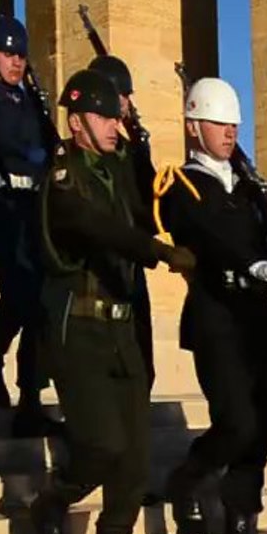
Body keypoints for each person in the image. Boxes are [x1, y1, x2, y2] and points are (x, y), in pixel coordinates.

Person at [27, 68, 196, 534]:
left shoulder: (120, 168)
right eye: (103, 116)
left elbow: (149, 201)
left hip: (123, 328)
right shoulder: (62, 176)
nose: (113, 124)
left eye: (115, 114)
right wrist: (158, 251)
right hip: (79, 329)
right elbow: (96, 228)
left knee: (135, 460)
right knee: (102, 444)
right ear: (76, 123)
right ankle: (53, 501)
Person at [159, 77, 267, 534]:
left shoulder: (250, 185)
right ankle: (187, 479)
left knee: (259, 435)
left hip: (254, 318)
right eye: (219, 123)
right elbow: (205, 235)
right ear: (195, 126)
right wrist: (253, 264)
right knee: (236, 423)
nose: (229, 132)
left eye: (234, 124)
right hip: (216, 316)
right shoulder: (183, 185)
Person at [0, 14, 58, 434]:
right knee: (28, 299)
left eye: (21, 54)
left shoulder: (33, 104)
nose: (16, 61)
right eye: (8, 53)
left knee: (28, 296)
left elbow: (51, 149)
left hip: (30, 214)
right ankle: (29, 402)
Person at [88, 54, 158, 389]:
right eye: (121, 95)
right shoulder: (83, 156)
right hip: (99, 271)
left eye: (127, 97)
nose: (126, 103)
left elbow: (153, 204)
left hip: (131, 265)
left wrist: (142, 149)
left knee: (143, 362)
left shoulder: (130, 153)